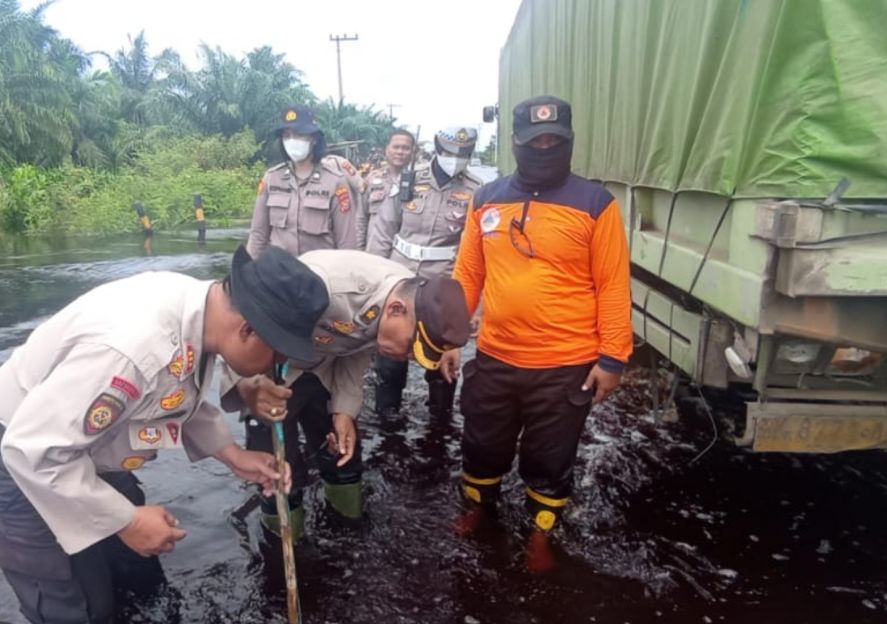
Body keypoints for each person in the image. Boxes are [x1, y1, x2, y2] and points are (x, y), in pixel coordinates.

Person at [0, 245, 329, 624]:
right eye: (278, 354)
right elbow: (30, 450)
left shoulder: (196, 313)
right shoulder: (133, 347)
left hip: (76, 451)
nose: (278, 367)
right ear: (248, 330)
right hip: (10, 461)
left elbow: (175, 393)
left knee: (140, 579)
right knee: (82, 617)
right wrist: (125, 521)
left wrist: (232, 454)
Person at [440, 95, 632, 569]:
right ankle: (478, 511)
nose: (544, 148)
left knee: (550, 458)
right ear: (515, 144)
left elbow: (613, 283)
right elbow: (468, 275)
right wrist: (449, 337)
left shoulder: (596, 204)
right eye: (534, 141)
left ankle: (540, 535)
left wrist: (612, 359)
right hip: (496, 356)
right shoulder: (486, 200)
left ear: (568, 141)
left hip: (565, 363)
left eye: (555, 141)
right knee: (482, 444)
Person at [221, 249, 470, 540]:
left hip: (325, 366)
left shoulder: (407, 299)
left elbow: (357, 350)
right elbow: (241, 323)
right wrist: (245, 386)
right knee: (276, 471)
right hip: (266, 367)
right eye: (409, 344)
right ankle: (284, 543)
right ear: (396, 310)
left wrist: (344, 411)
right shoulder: (328, 286)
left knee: (341, 451)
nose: (404, 357)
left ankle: (347, 530)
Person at [366, 127, 482, 416]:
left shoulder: (476, 191)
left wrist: (475, 306)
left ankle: (439, 426)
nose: (455, 159)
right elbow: (383, 231)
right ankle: (387, 419)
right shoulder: (410, 179)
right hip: (399, 280)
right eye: (450, 153)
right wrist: (373, 282)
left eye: (463, 155)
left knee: (441, 363)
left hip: (444, 288)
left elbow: (480, 255)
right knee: (390, 360)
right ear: (437, 150)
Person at [247, 104, 360, 258]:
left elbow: (347, 242)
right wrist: (247, 274)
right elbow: (258, 235)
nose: (292, 140)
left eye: (299, 134)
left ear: (313, 139)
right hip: (279, 273)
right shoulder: (271, 178)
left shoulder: (335, 182)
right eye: (287, 135)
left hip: (319, 274)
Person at [357, 128, 416, 248]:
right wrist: (359, 249)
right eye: (396, 147)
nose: (400, 152)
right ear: (387, 149)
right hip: (375, 252)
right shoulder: (372, 180)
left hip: (404, 256)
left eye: (405, 148)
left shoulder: (419, 182)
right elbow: (360, 218)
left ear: (413, 152)